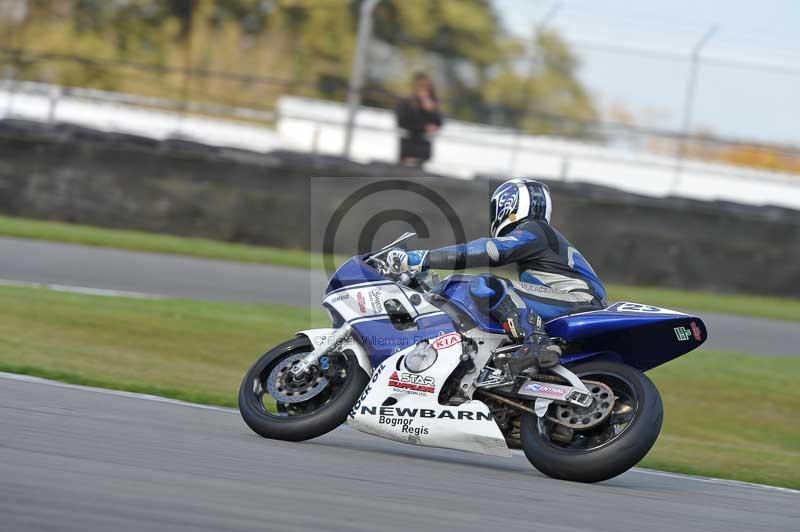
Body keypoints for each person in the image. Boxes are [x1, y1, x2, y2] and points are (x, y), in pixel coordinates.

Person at [387, 179, 607, 373]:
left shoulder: (535, 229)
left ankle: (536, 342)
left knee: (487, 284)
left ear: (508, 204)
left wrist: (422, 257)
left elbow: (491, 250)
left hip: (579, 300)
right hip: (572, 300)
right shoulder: (540, 236)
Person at [395, 73, 443, 167]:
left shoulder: (431, 104)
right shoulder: (406, 102)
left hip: (423, 149)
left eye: (427, 87)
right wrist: (424, 127)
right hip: (409, 146)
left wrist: (431, 111)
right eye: (421, 86)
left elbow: (439, 123)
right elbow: (402, 122)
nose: (424, 90)